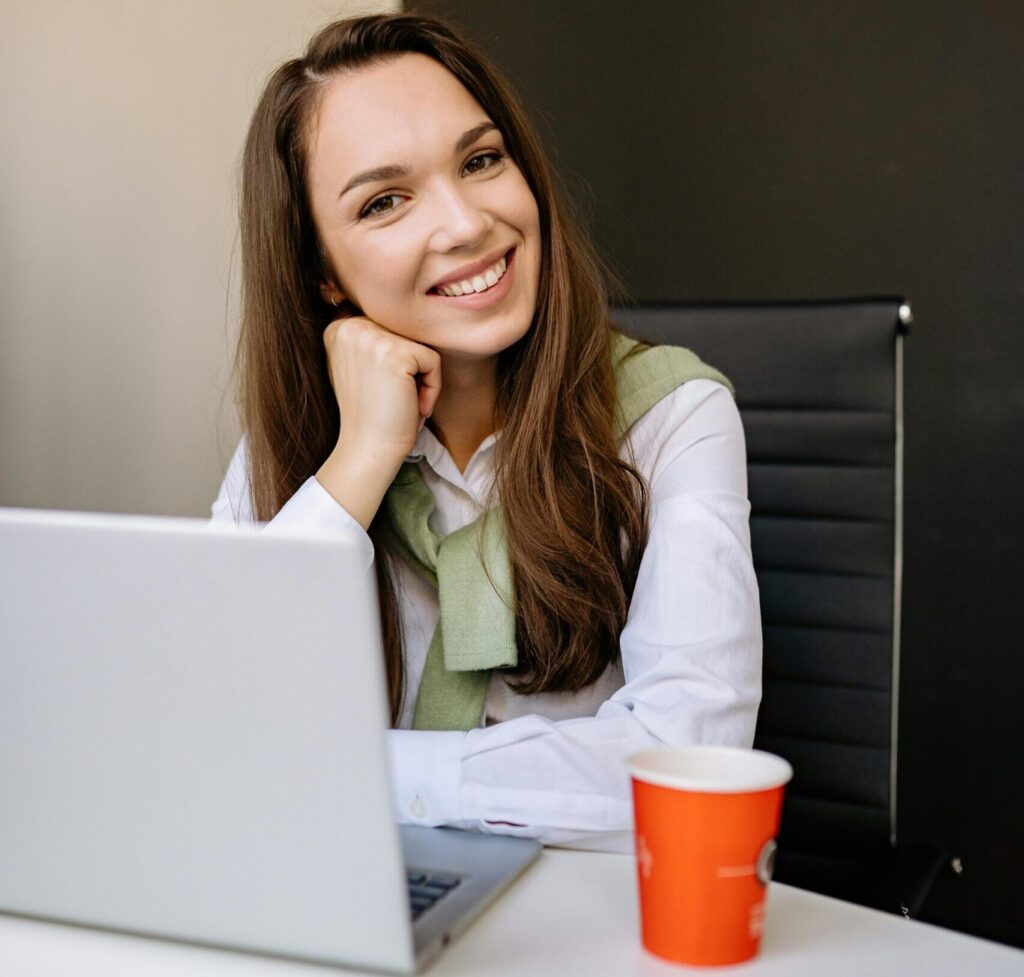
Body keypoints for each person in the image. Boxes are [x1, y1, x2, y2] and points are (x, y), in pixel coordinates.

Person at [211, 13, 761, 852]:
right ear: (321, 271)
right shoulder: (302, 448)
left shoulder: (672, 418)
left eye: (480, 160)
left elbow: (688, 755)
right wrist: (360, 461)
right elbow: (210, 721)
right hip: (347, 895)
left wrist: (364, 770)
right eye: (385, 201)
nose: (466, 223)